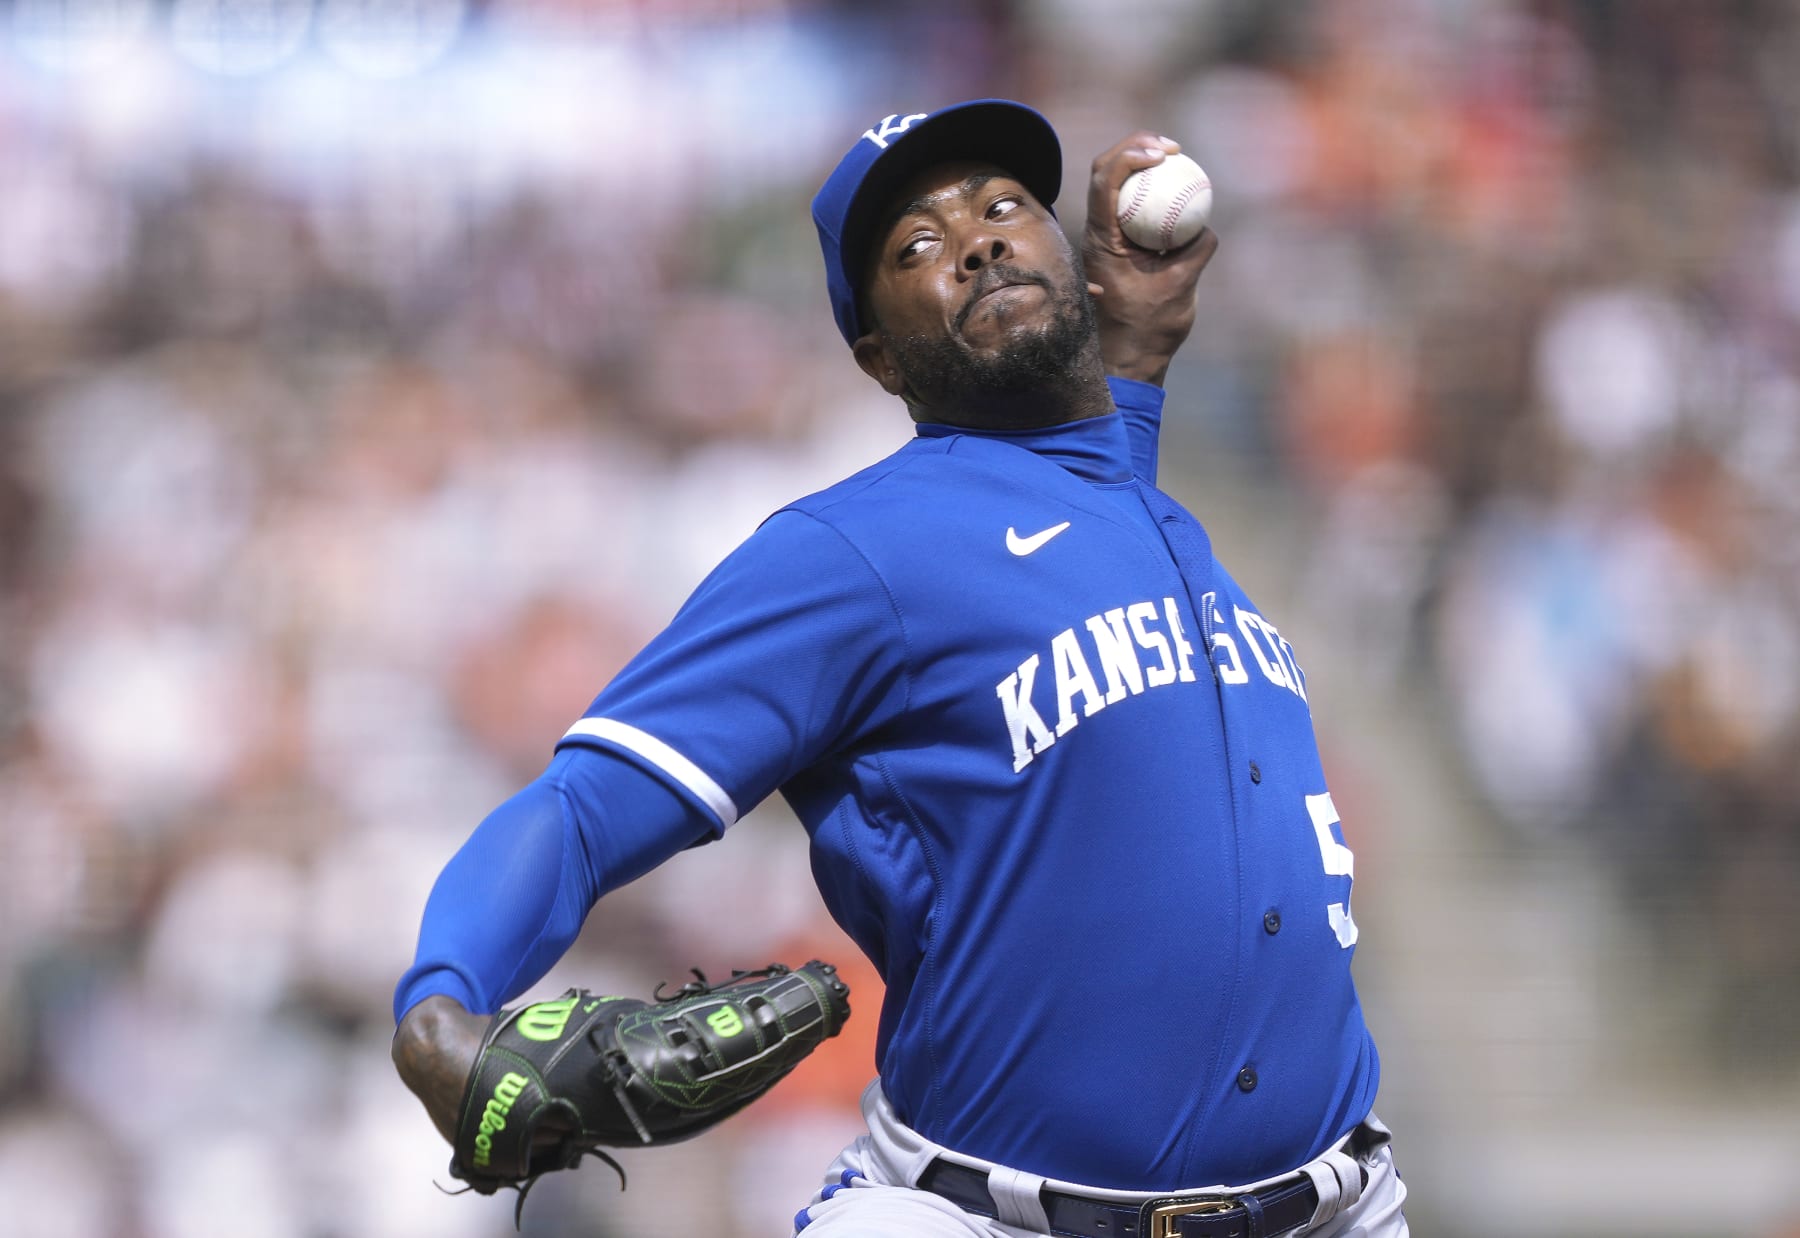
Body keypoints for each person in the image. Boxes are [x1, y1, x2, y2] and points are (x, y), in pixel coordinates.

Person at [392, 99, 1408, 1237]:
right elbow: (581, 808)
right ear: (877, 355)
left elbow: (1083, 481)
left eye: (1005, 207)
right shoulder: (853, 553)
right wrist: (439, 1003)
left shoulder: (1136, 503)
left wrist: (1139, 346)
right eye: (914, 248)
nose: (974, 240)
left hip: (1339, 1203)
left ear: (1069, 259)